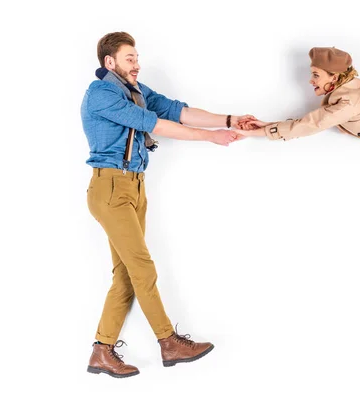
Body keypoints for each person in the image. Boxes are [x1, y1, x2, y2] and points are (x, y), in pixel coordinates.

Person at [81, 32, 254, 378]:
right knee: (142, 268)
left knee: (127, 277)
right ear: (109, 62)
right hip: (111, 188)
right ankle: (168, 342)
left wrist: (230, 120)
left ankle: (101, 351)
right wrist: (212, 138)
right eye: (130, 58)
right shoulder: (101, 93)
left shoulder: (137, 92)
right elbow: (155, 124)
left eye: (137, 57)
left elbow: (178, 112)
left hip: (134, 187)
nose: (137, 64)